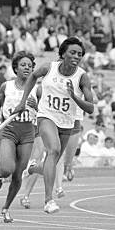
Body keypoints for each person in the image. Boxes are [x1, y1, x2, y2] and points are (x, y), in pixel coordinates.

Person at [13, 37, 95, 214]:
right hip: (46, 116)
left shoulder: (82, 77)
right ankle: (48, 200)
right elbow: (33, 77)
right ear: (63, 53)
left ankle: (32, 168)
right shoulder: (48, 68)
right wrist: (23, 100)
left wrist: (75, 96)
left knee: (51, 163)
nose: (76, 56)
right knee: (54, 150)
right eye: (72, 52)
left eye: (79, 54)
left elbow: (91, 107)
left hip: (67, 122)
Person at [0, 51, 38, 223]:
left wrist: (36, 106)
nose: (27, 68)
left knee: (18, 174)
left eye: (30, 65)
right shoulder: (6, 86)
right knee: (7, 169)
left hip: (28, 132)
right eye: (23, 65)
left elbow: (44, 112)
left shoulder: (37, 89)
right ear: (15, 68)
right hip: (9, 129)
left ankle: (6, 207)